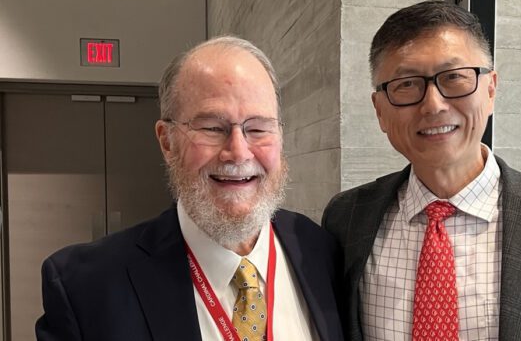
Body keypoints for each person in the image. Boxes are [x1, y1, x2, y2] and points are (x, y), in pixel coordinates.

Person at [322, 0, 521, 340]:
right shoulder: (346, 219)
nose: (433, 105)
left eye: (455, 78)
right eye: (406, 85)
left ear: (490, 89)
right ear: (380, 110)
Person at [36, 36, 343, 341]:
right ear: (167, 141)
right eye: (211, 127)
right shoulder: (85, 288)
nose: (238, 152)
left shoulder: (320, 250)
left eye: (258, 128)